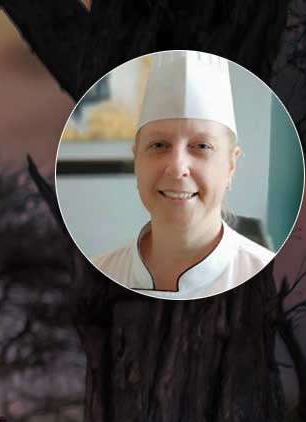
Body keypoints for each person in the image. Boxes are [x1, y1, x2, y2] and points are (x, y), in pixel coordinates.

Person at [91, 50, 275, 300]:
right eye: (159, 145)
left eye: (202, 146)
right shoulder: (98, 274)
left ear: (231, 165)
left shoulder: (266, 279)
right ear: (137, 161)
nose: (177, 168)